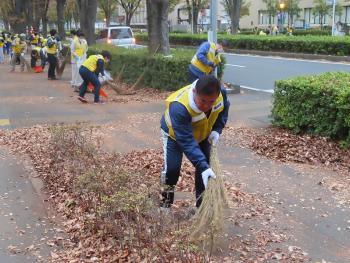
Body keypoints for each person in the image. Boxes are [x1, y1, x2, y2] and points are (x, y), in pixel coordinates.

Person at [160, 75, 230, 208]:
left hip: (202, 134)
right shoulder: (179, 107)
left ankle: (201, 208)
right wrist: (201, 164)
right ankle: (165, 204)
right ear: (194, 92)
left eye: (211, 102)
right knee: (172, 170)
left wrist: (217, 129)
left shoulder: (221, 94)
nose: (207, 106)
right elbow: (186, 140)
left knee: (205, 170)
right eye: (203, 101)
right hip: (174, 135)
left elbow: (224, 109)